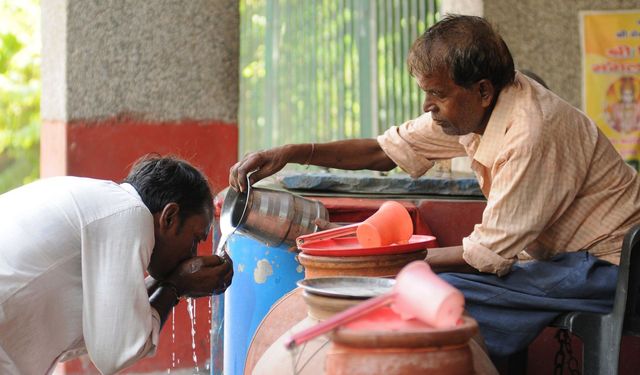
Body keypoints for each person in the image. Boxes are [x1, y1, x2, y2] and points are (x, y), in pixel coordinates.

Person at [229, 14, 640, 360]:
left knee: (436, 294)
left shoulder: (530, 132)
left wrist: (392, 262)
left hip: (611, 268)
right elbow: (382, 152)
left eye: (436, 95)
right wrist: (291, 151)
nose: (428, 106)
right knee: (423, 286)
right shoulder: (473, 110)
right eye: (426, 93)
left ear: (481, 90)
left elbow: (488, 254)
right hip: (567, 260)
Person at [0, 154, 234, 374]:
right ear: (169, 217)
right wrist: (176, 286)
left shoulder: (105, 205)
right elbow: (115, 351)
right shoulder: (129, 214)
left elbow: (110, 321)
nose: (193, 254)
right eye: (195, 239)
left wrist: (167, 283)